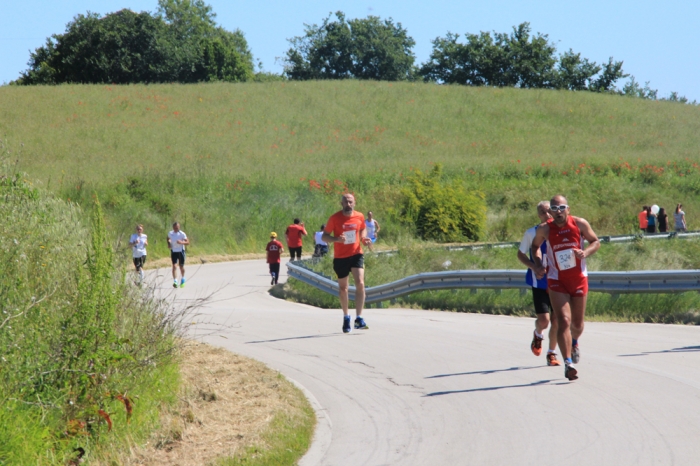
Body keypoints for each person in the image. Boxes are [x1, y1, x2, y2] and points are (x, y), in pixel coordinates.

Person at [532, 195, 600, 381]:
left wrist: (584, 252)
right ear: (550, 212)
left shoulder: (579, 224)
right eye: (554, 208)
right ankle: (568, 363)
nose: (558, 211)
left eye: (562, 207)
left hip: (578, 279)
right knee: (563, 320)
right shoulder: (545, 228)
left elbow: (596, 241)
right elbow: (535, 247)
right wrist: (538, 264)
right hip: (556, 280)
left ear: (568, 209)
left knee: (577, 325)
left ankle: (575, 342)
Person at [517, 201, 560, 367]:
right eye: (543, 212)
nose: (547, 215)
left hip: (557, 282)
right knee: (544, 321)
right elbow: (520, 254)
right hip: (540, 282)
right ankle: (538, 334)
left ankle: (552, 353)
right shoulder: (531, 233)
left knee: (557, 321)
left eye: (550, 211)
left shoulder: (561, 231)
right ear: (538, 215)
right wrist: (534, 267)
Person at [322, 193, 373, 333]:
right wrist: (337, 239)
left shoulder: (360, 216)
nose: (348, 204)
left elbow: (362, 229)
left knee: (360, 283)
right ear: (342, 203)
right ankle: (346, 316)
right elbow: (325, 236)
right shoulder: (334, 218)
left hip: (356, 253)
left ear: (354, 203)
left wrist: (363, 239)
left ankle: (359, 318)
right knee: (343, 288)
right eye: (346, 202)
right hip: (340, 257)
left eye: (350, 202)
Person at [167, 222, 190, 288]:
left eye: (177, 228)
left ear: (179, 227)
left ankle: (183, 278)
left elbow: (188, 242)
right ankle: (175, 281)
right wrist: (169, 243)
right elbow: (168, 238)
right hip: (174, 251)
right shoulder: (170, 233)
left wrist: (181, 242)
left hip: (181, 251)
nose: (176, 229)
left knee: (181, 266)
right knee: (174, 266)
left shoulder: (182, 234)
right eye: (175, 228)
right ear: (173, 227)